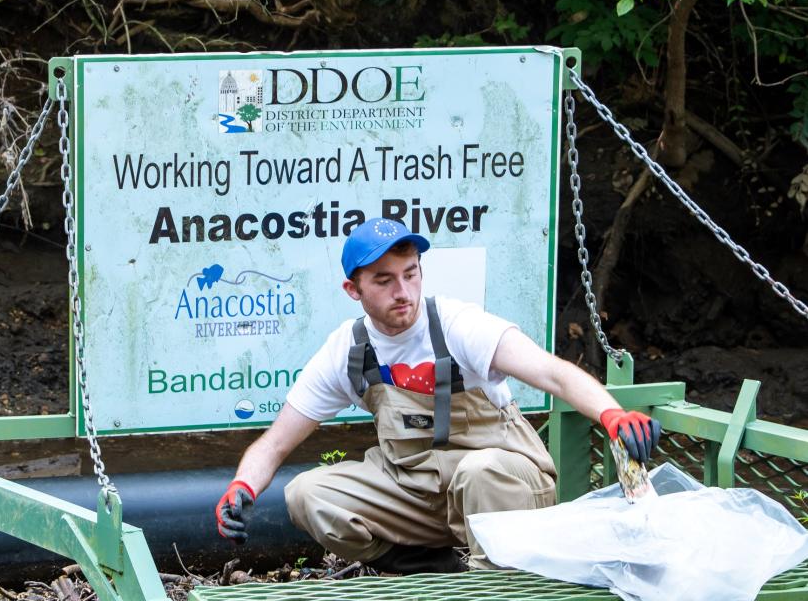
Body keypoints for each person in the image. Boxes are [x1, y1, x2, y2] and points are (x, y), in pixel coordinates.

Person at [214, 217, 661, 573]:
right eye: (384, 280)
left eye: (411, 274)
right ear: (354, 290)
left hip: (503, 488)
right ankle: (427, 567)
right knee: (308, 494)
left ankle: (495, 593)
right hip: (418, 493)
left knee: (480, 470)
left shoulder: (458, 324)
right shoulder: (346, 350)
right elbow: (275, 442)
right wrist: (242, 486)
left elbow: (555, 374)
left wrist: (613, 415)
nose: (403, 291)